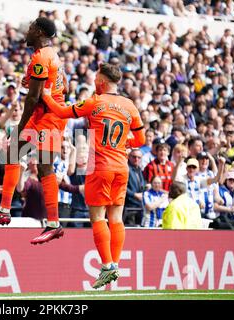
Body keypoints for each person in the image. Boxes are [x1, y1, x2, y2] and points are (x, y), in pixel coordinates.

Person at [42, 62, 145, 288]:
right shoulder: (130, 106)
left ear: (102, 82)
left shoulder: (95, 102)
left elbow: (61, 112)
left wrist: (47, 95)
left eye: (97, 78)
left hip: (100, 166)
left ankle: (107, 265)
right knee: (116, 218)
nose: (95, 82)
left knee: (98, 217)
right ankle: (115, 264)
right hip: (121, 167)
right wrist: (124, 142)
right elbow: (141, 141)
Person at [0, 17, 68, 245]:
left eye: (29, 28)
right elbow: (63, 84)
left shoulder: (40, 58)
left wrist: (20, 125)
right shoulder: (52, 55)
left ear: (38, 31)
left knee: (42, 166)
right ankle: (5, 210)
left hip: (46, 117)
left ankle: (51, 223)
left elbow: (33, 98)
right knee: (16, 154)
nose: (25, 32)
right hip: (50, 114)